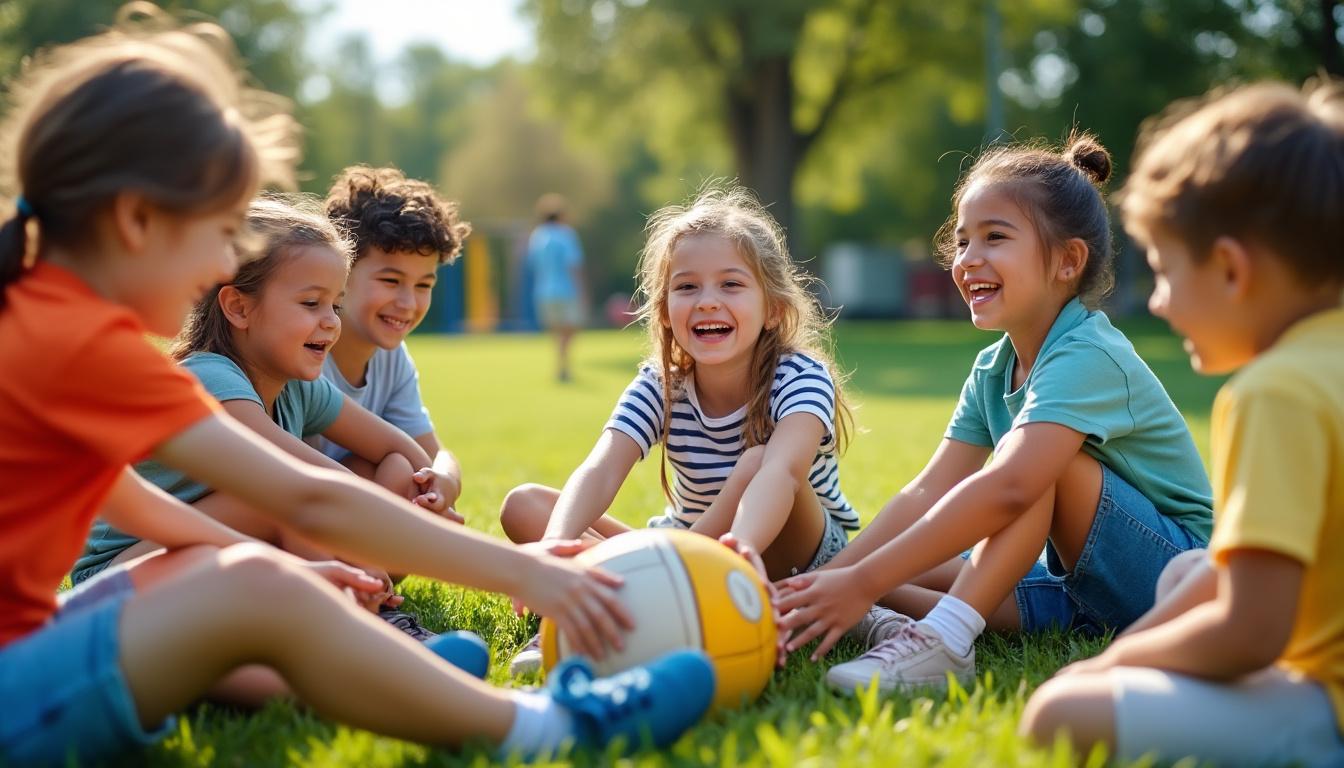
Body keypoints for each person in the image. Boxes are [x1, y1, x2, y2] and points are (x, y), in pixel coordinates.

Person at [0, 8, 712, 766]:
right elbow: (308, 496)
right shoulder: (78, 343)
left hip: (34, 640)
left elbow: (129, 503)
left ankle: (388, 671)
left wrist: (298, 567)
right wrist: (528, 572)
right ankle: (546, 731)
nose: (217, 269)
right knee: (251, 582)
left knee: (252, 573)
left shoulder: (43, 319)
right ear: (137, 220)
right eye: (216, 236)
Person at [775, 134, 1214, 695]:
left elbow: (1012, 487)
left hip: (1168, 579)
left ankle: (945, 642)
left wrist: (862, 578)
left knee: (1036, 466)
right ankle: (821, 600)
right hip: (1072, 586)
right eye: (961, 242)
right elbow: (925, 492)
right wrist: (835, 578)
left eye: (995, 238)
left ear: (1067, 261)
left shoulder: (1087, 354)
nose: (968, 259)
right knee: (893, 571)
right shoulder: (993, 367)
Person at [1020, 81, 1344, 767]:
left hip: (1328, 704)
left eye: (1165, 273)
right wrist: (1127, 654)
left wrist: (1111, 669)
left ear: (1231, 268)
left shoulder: (1275, 392)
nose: (1161, 305)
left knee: (1059, 714)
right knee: (1187, 573)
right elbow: (1230, 570)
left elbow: (1251, 629)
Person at [501, 185, 859, 674]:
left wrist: (741, 551)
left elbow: (782, 473)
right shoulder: (662, 382)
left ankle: (675, 591)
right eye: (687, 287)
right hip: (691, 541)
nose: (707, 302)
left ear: (773, 308)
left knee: (759, 461)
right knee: (526, 507)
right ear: (665, 308)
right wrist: (555, 547)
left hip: (790, 552)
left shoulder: (800, 377)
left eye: (731, 285)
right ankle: (635, 595)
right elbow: (604, 467)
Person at [72, 196, 444, 649]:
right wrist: (372, 541)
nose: (330, 323)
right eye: (311, 303)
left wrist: (421, 485)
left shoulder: (299, 386)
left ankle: (344, 607)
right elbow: (301, 486)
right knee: (281, 498)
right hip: (119, 578)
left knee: (383, 475)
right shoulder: (210, 377)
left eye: (336, 304)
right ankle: (365, 622)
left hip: (218, 562)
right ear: (239, 308)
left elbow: (401, 451)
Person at [318, 166, 467, 522]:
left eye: (423, 285)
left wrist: (442, 481)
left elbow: (432, 453)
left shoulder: (392, 357)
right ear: (341, 272)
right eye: (390, 279)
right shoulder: (308, 350)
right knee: (394, 466)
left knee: (402, 469)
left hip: (345, 505)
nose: (408, 303)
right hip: (301, 504)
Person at [527, 193, 586, 382]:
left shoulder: (537, 236)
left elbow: (532, 264)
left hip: (543, 291)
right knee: (569, 330)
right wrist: (582, 291)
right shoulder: (566, 234)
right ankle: (563, 366)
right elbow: (573, 265)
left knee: (557, 332)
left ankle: (561, 364)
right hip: (566, 290)